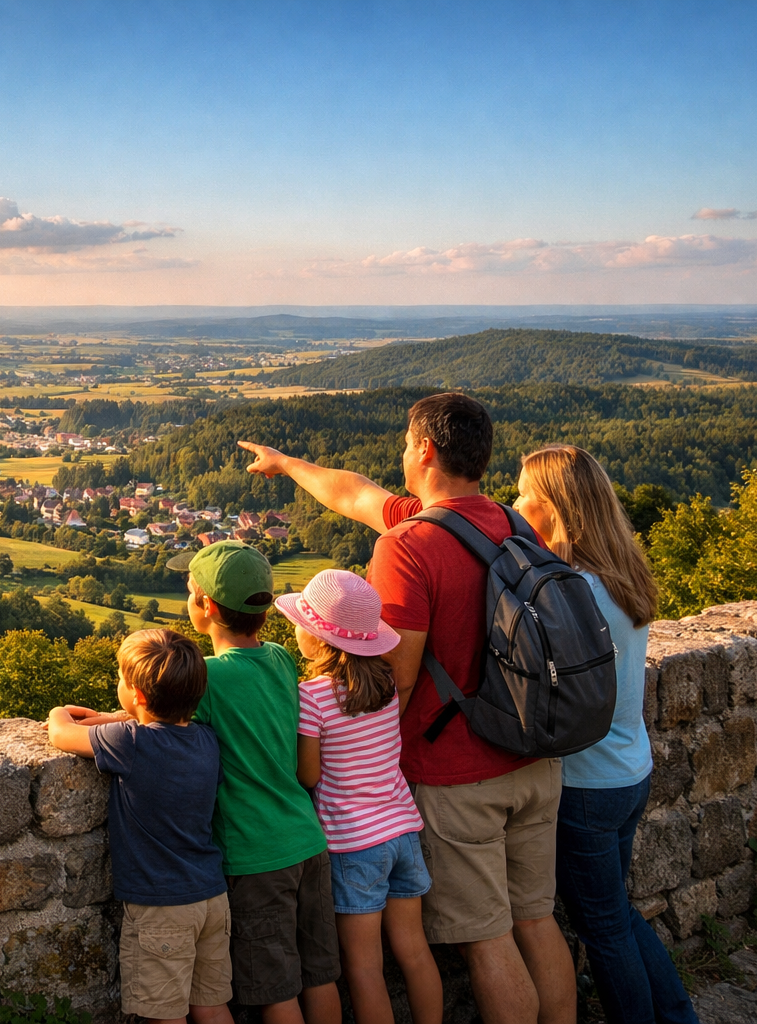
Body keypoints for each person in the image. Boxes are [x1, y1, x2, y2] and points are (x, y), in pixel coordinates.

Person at [238, 392, 576, 1024]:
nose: (397, 453)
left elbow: (391, 683)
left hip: (459, 773)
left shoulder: (408, 545)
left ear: (424, 449)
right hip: (534, 753)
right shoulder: (509, 523)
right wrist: (286, 465)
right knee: (537, 919)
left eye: (403, 442)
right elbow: (354, 492)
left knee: (488, 935)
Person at [513, 445, 698, 1024]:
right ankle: (676, 1015)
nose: (514, 503)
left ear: (551, 507)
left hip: (589, 784)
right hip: (629, 766)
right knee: (617, 913)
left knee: (604, 927)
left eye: (523, 493)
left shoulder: (572, 593)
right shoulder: (619, 576)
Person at [176, 540, 341, 1024]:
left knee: (276, 988)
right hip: (308, 840)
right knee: (321, 976)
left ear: (205, 606)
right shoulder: (280, 659)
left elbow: (154, 717)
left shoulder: (205, 679)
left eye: (190, 590)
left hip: (255, 856)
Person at [47, 629, 233, 1024]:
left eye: (121, 678)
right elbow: (151, 724)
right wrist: (124, 715)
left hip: (162, 907)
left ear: (140, 696)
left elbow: (61, 734)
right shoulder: (207, 739)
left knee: (163, 1015)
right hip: (212, 898)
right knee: (211, 1007)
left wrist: (58, 711)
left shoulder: (130, 743)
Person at [283, 569, 442, 1024]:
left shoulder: (312, 696)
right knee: (414, 952)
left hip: (354, 844)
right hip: (402, 831)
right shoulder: (386, 684)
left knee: (364, 966)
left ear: (317, 638)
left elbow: (310, 774)